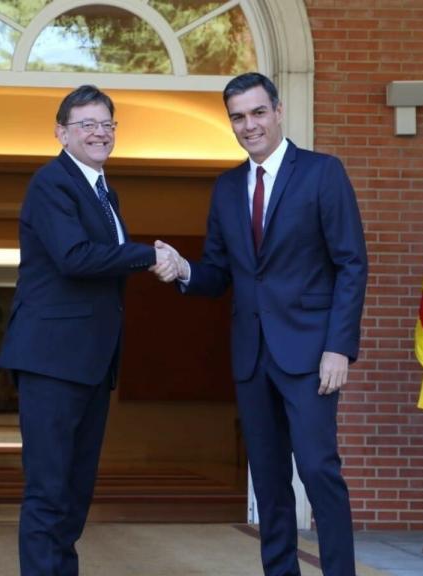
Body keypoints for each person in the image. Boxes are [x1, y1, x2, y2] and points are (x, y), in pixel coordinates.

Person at [153, 72, 368, 576]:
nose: (249, 125)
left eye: (257, 113)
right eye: (237, 117)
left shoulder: (322, 173)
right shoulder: (227, 188)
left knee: (318, 471)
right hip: (251, 356)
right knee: (268, 481)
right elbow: (219, 272)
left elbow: (351, 264)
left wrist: (339, 347)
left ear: (277, 111)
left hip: (311, 355)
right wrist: (184, 270)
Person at [0, 84, 173, 576]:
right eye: (87, 125)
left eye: (107, 124)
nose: (99, 133)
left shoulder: (102, 190)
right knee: (49, 491)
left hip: (90, 362)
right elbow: (74, 257)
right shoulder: (53, 183)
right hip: (52, 360)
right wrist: (149, 254)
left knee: (75, 492)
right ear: (61, 133)